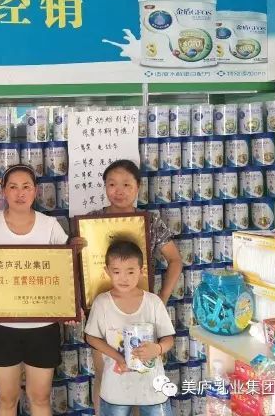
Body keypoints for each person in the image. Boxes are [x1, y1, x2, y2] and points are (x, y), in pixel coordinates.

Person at [0, 164, 84, 416]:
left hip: (43, 327)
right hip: (1, 327)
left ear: (35, 191)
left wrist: (70, 305)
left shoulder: (50, 225)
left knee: (40, 397)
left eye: (26, 187)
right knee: (7, 398)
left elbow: (66, 270)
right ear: (3, 191)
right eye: (13, 187)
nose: (20, 193)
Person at [86, 159, 183, 414]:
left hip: (143, 312)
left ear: (138, 187)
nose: (119, 190)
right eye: (112, 184)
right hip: (105, 313)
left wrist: (162, 297)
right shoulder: (91, 222)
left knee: (143, 374)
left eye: (126, 184)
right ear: (105, 187)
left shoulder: (150, 222)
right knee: (107, 376)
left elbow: (175, 260)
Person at [85, 241, 175, 416]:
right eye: (116, 272)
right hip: (115, 386)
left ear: (141, 271)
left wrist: (158, 349)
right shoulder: (102, 303)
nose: (123, 278)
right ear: (107, 271)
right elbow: (91, 337)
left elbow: (168, 338)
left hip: (153, 386)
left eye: (130, 272)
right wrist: (118, 357)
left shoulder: (153, 302)